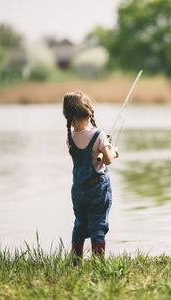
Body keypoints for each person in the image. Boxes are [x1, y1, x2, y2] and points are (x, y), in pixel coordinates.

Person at [62, 91, 117, 263]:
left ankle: (76, 261)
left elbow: (80, 155)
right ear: (89, 113)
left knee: (80, 224)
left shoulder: (70, 137)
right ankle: (98, 263)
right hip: (97, 190)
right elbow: (107, 160)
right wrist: (111, 150)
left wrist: (103, 144)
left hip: (78, 190)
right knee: (98, 225)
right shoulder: (98, 135)